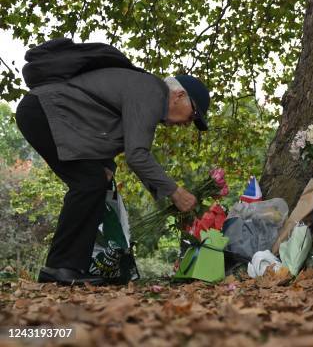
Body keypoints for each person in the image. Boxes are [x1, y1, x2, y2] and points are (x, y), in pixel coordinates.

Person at [15, 38, 210, 285]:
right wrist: (175, 192)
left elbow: (100, 128)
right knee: (89, 183)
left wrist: (107, 166)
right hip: (45, 112)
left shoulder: (145, 92)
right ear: (180, 95)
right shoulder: (151, 92)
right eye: (192, 115)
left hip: (48, 115)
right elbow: (137, 154)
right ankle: (62, 268)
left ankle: (65, 267)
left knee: (93, 182)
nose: (187, 123)